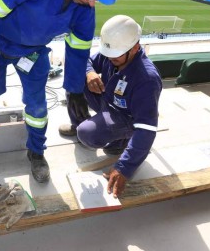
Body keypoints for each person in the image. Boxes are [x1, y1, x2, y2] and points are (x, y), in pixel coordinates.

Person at [0, 0, 137, 183]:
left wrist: (75, 90)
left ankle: (36, 152)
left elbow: (78, 50)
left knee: (37, 106)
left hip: (33, 53)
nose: (92, 3)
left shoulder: (84, 7)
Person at [59, 15, 162, 197]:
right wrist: (90, 73)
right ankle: (79, 124)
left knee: (87, 133)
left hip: (124, 117)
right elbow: (87, 62)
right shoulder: (114, 53)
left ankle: (121, 140)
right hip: (108, 99)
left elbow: (146, 129)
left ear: (135, 47)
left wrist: (124, 168)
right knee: (75, 80)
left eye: (114, 56)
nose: (109, 58)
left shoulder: (147, 79)